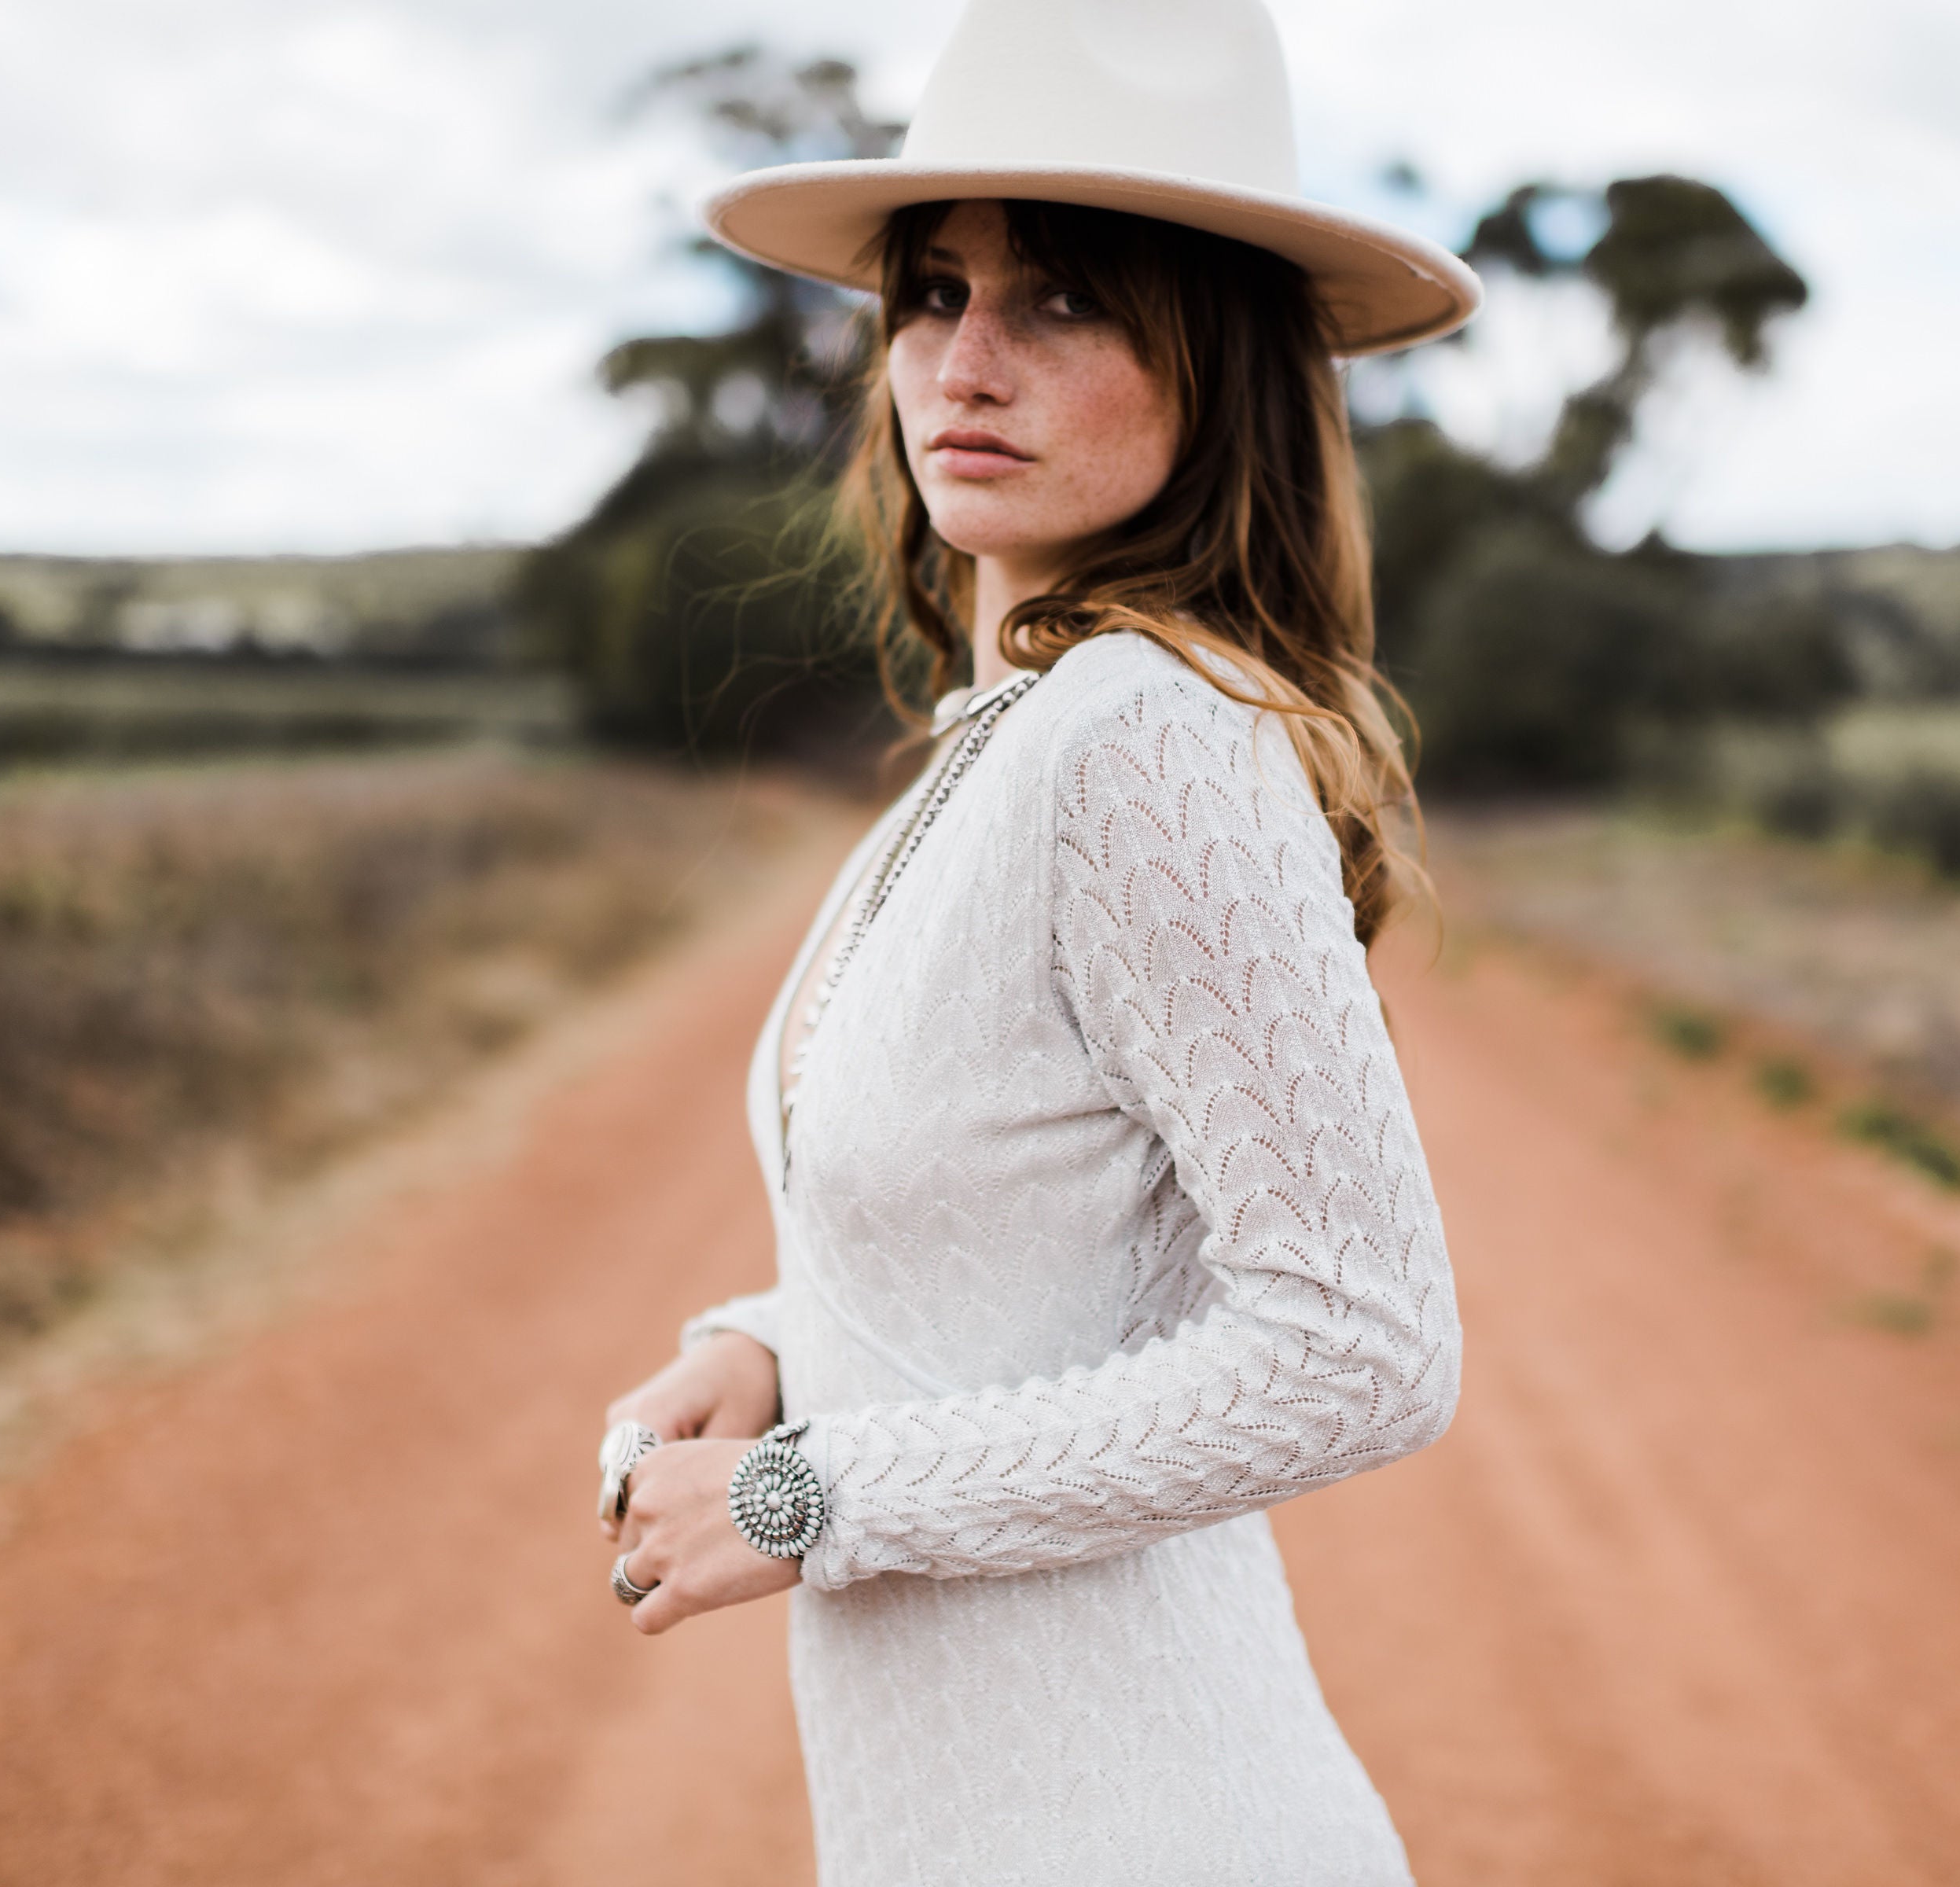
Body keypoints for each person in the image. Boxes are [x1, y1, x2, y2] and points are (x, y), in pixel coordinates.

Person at [593, 2, 1479, 1880]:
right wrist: (770, 1353)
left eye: (1063, 300)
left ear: (1215, 358)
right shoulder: (1008, 735)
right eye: (931, 293)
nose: (964, 364)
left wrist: (803, 1489)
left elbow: (1363, 1342)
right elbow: (1058, 1255)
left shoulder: (1143, 733)